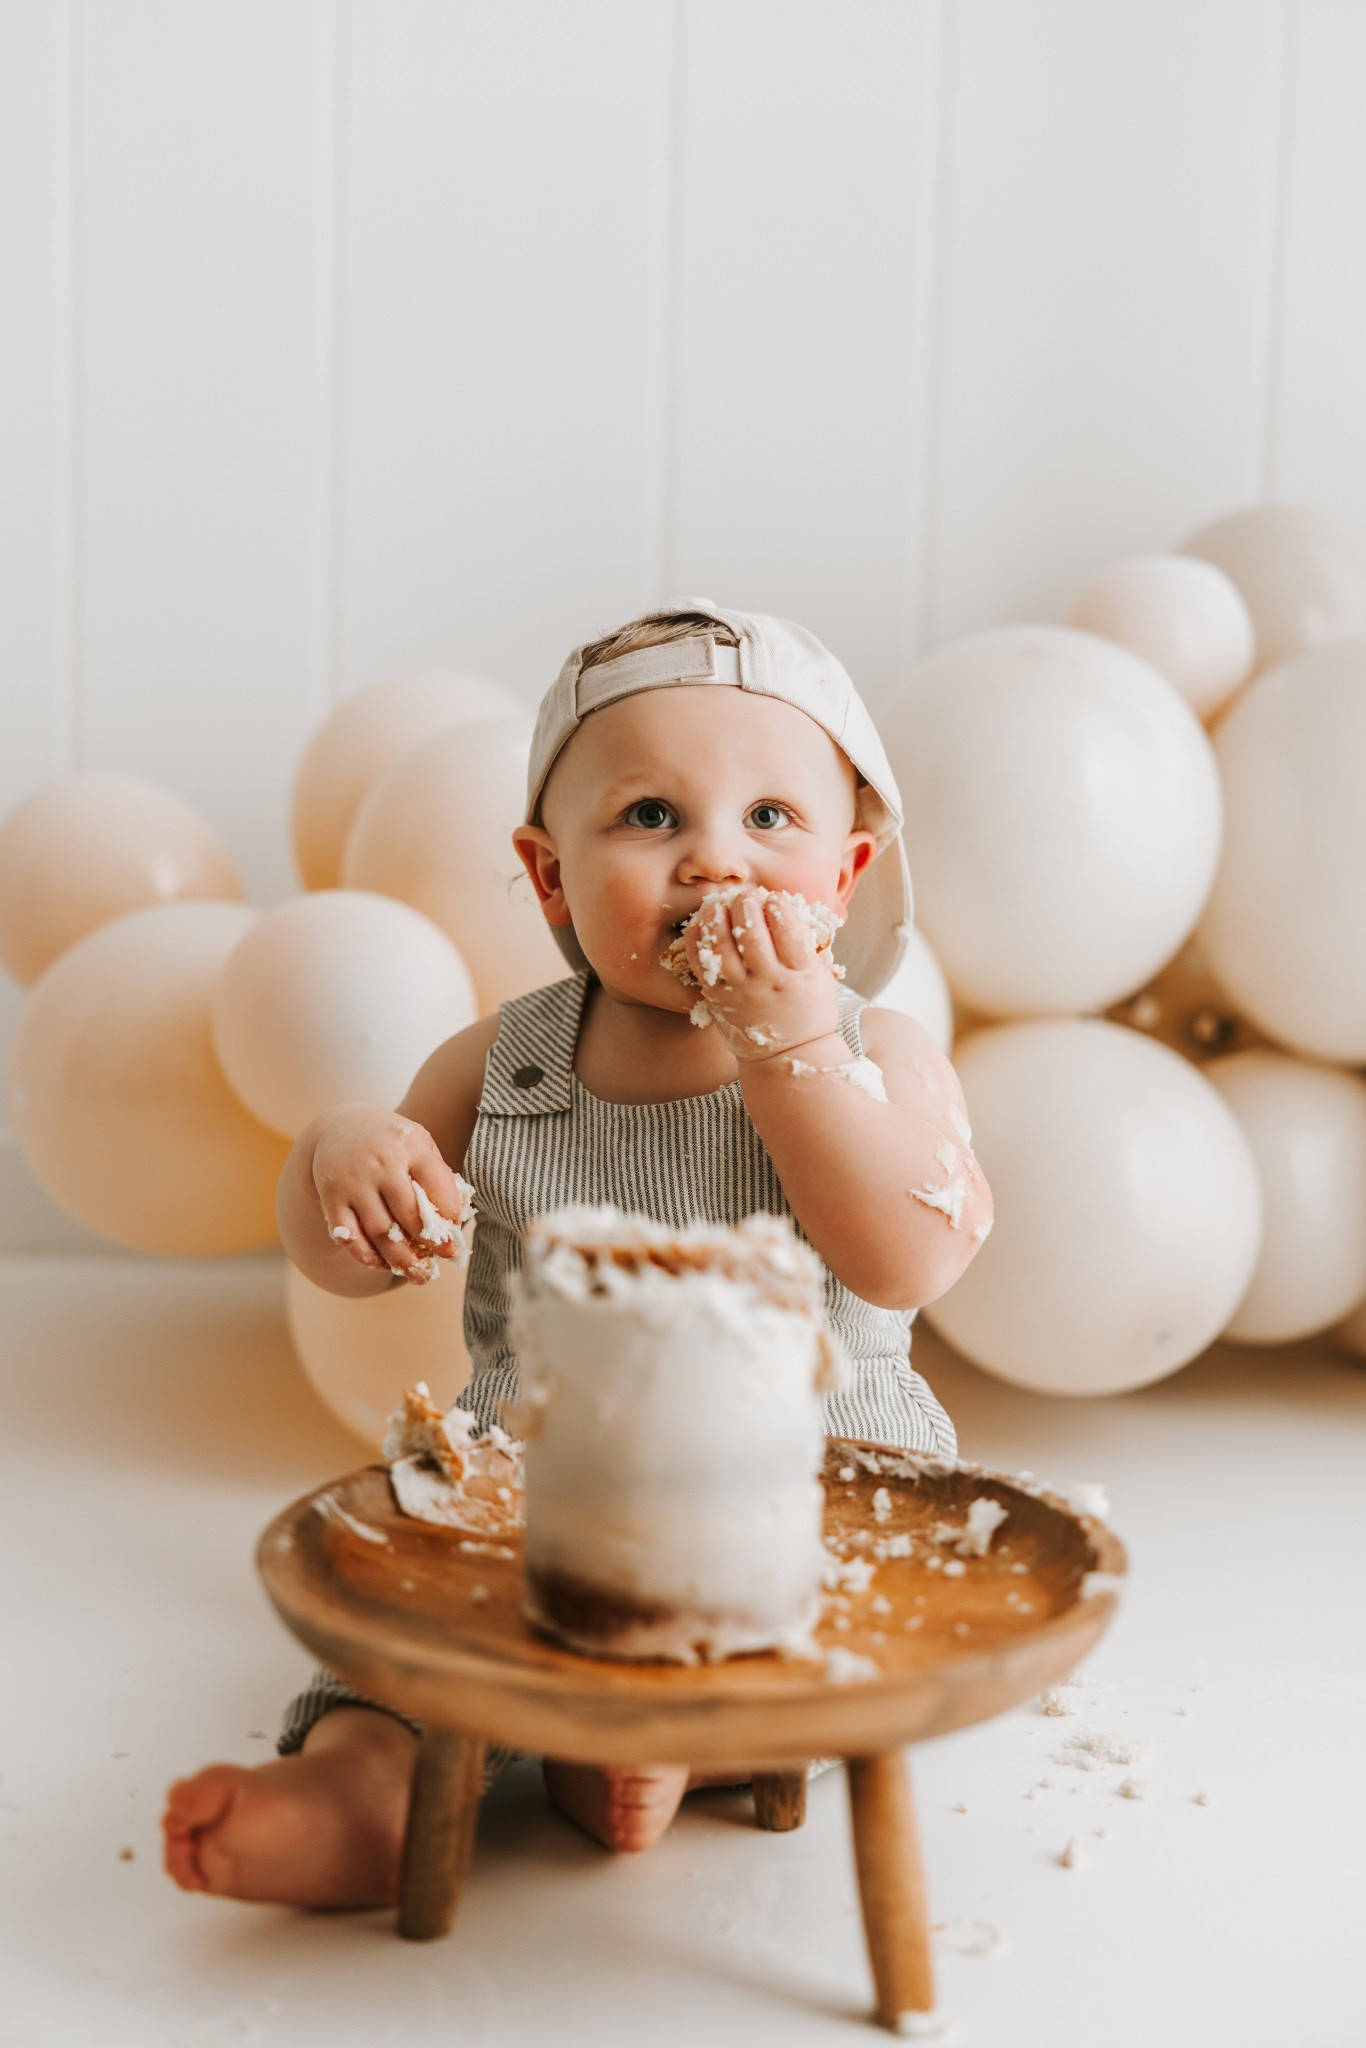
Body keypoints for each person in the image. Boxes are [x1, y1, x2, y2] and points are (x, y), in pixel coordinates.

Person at [161, 599, 993, 1908]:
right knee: (411, 1641)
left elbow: (904, 1261)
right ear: (549, 875)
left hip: (804, 1480)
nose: (715, 862)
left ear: (845, 870)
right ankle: (356, 1796)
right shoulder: (501, 1064)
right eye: (649, 817)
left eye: (771, 820)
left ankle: (676, 1751)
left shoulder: (875, 1056)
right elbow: (351, 1265)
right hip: (534, 1493)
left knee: (838, 1648)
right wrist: (342, 1159)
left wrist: (787, 1047)